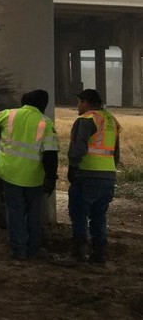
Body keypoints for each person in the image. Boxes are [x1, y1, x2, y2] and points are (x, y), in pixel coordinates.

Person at [0, 89, 59, 260]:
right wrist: (51, 177)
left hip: (11, 174)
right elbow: (51, 154)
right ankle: (33, 249)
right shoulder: (46, 123)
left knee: (15, 214)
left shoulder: (10, 115)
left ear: (24, 102)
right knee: (34, 216)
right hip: (34, 178)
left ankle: (18, 250)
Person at [67, 88, 121, 265]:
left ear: (85, 102)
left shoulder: (86, 119)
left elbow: (79, 145)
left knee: (78, 213)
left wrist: (73, 166)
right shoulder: (111, 120)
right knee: (99, 216)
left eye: (79, 102)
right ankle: (99, 255)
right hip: (108, 176)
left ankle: (78, 254)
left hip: (87, 174)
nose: (78, 106)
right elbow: (115, 152)